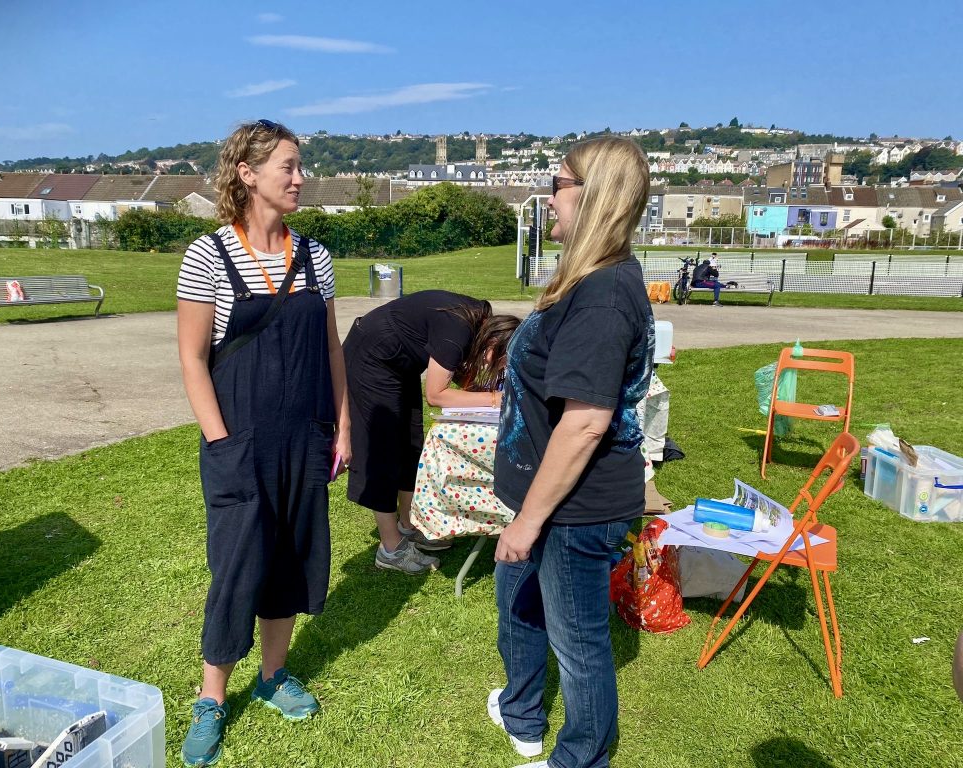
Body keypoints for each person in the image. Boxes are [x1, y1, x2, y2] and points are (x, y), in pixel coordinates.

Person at [175, 119, 351, 767]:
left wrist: (344, 423)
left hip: (305, 438)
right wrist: (221, 442)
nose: (300, 178)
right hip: (238, 441)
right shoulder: (208, 255)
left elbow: (331, 348)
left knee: (292, 557)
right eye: (288, 166)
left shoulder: (316, 258)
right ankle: (212, 698)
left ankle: (274, 676)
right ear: (248, 174)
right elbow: (193, 361)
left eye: (300, 166)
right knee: (237, 566)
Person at [490, 137, 654, 768]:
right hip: (545, 498)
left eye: (556, 183)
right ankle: (522, 711)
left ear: (593, 196)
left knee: (579, 642)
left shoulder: (605, 295)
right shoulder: (585, 280)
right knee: (520, 603)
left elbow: (586, 423)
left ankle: (580, 757)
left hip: (574, 507)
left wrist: (530, 521)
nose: (548, 196)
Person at [343, 290, 519, 574]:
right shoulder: (459, 328)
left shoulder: (479, 321)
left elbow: (456, 374)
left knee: (410, 444)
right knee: (383, 451)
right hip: (371, 359)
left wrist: (483, 394)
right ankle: (391, 549)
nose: (494, 369)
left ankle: (408, 526)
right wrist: (494, 400)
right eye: (498, 362)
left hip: (401, 365)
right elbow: (436, 395)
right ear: (494, 342)